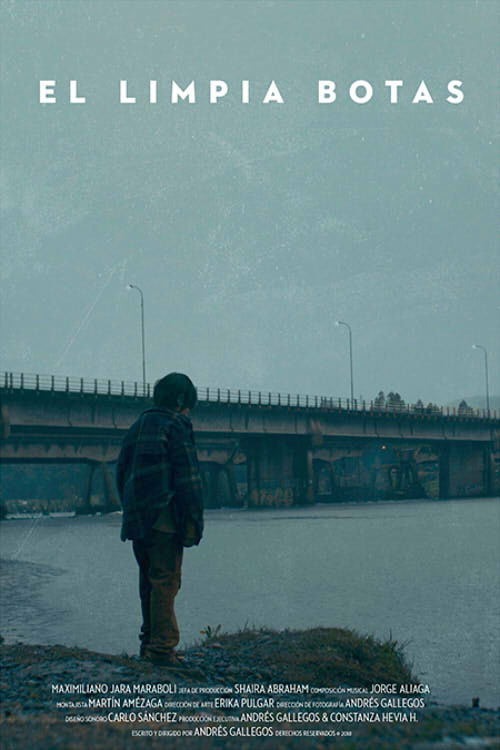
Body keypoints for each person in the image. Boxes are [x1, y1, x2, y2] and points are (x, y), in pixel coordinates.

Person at [116, 372, 204, 667]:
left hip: (137, 519)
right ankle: (163, 649)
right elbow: (188, 478)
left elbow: (121, 473)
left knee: (148, 582)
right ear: (180, 400)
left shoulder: (137, 425)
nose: (188, 411)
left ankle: (148, 643)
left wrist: (130, 511)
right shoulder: (176, 424)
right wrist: (194, 520)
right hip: (165, 518)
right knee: (166, 581)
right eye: (188, 405)